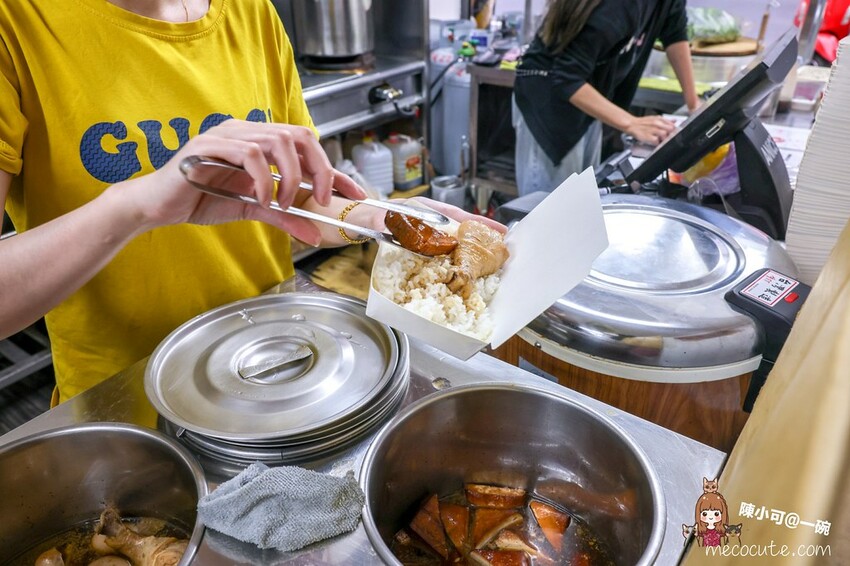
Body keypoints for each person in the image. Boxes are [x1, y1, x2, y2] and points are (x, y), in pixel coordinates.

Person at [0, 0, 499, 404]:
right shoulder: (19, 22)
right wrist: (136, 206)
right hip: (126, 396)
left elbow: (301, 197)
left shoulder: (252, 13)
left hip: (273, 366)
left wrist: (381, 217)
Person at [512, 0, 700, 196]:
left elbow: (675, 34)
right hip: (549, 103)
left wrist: (693, 103)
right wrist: (631, 123)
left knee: (580, 199)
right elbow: (567, 76)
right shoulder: (620, 5)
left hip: (587, 97)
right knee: (549, 211)